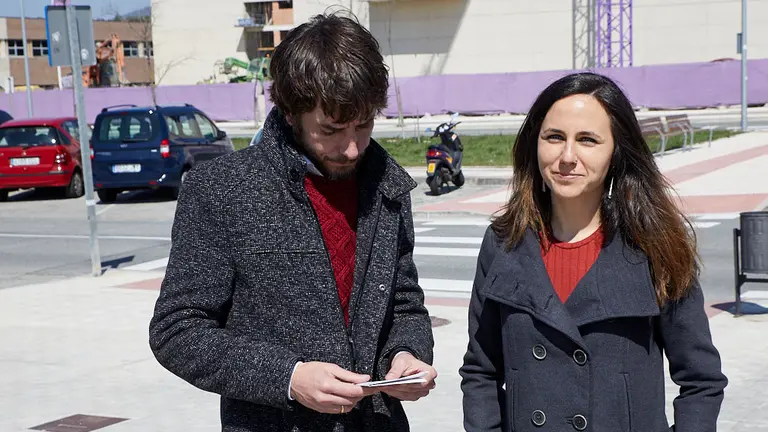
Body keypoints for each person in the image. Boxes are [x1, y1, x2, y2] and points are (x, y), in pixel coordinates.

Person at [148, 11, 437, 432]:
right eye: (332, 128)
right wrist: (289, 378)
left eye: (364, 125)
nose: (353, 147)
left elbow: (404, 302)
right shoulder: (222, 189)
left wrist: (407, 353)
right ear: (289, 111)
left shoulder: (386, 186)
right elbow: (177, 331)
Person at [459, 72, 727, 432]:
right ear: (534, 144)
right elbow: (481, 369)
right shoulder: (504, 242)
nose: (567, 156)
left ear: (616, 151)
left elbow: (701, 380)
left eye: (587, 140)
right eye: (554, 137)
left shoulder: (655, 244)